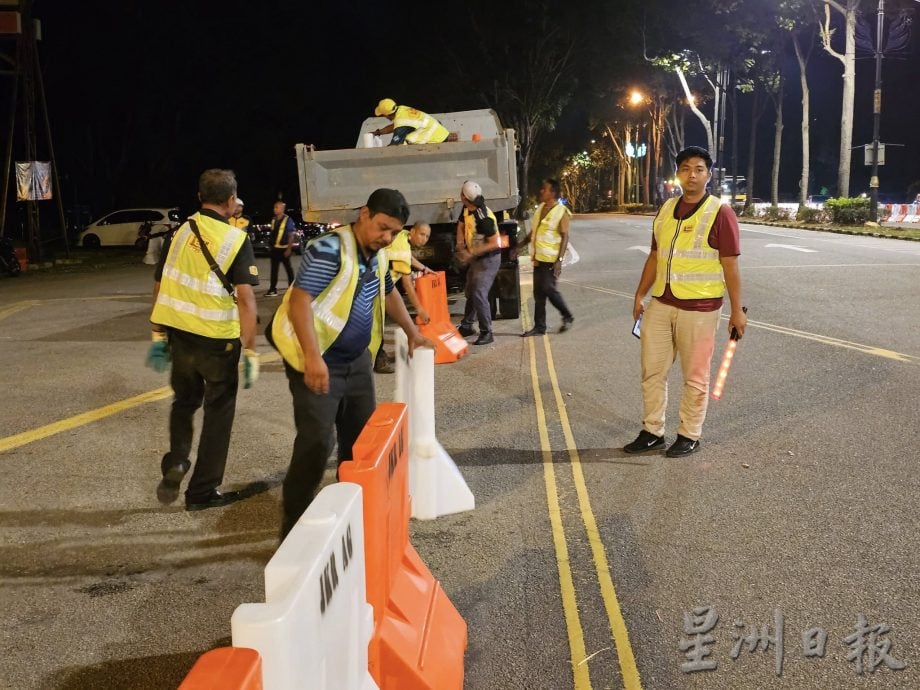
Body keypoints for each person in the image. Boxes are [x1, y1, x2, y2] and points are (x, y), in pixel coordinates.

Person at [269, 188, 434, 538]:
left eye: (393, 232)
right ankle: (293, 528)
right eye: (382, 227)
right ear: (364, 214)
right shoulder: (329, 249)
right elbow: (299, 303)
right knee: (316, 442)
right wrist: (313, 360)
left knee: (359, 443)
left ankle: (350, 514)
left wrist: (412, 331)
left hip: (356, 361)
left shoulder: (378, 254)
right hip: (316, 359)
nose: (386, 238)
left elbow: (388, 291)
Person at [146, 169, 260, 510]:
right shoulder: (236, 240)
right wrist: (251, 350)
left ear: (199, 198)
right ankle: (202, 492)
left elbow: (159, 284)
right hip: (218, 341)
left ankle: (178, 459)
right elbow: (246, 300)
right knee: (218, 412)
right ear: (230, 201)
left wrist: (157, 334)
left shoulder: (179, 233)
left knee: (184, 402)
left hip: (180, 336)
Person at [623, 146, 746, 458]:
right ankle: (652, 431)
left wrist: (736, 312)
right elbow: (655, 255)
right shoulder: (666, 210)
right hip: (661, 304)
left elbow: (730, 265)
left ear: (708, 174)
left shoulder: (720, 212)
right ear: (677, 173)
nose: (692, 175)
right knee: (652, 371)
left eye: (699, 169)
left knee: (695, 376)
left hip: (701, 309)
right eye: (686, 168)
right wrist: (640, 294)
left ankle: (689, 434)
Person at [374, 221, 435, 373]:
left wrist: (424, 268)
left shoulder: (402, 235)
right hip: (378, 289)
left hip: (376, 284)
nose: (424, 239)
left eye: (427, 236)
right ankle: (378, 359)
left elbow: (407, 257)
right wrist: (420, 309)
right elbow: (407, 284)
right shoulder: (402, 247)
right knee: (377, 327)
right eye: (422, 234)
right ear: (413, 232)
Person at [520, 178, 575, 336]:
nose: (541, 191)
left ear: (552, 193)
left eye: (545, 189)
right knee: (539, 294)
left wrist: (559, 261)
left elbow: (565, 237)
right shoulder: (541, 208)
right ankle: (539, 327)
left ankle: (567, 316)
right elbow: (535, 231)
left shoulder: (561, 212)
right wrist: (520, 245)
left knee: (548, 289)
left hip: (550, 261)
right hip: (538, 259)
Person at [455, 180, 501, 345]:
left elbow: (494, 243)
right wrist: (460, 244)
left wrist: (470, 252)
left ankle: (487, 332)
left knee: (479, 293)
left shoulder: (483, 218)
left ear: (464, 197)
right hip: (477, 258)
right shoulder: (467, 208)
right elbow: (461, 225)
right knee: (470, 291)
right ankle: (467, 326)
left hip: (489, 259)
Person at [371, 98, 451, 145]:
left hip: (438, 140)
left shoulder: (401, 123)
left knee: (406, 141)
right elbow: (397, 125)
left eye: (382, 115)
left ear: (387, 115)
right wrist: (378, 132)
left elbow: (394, 146)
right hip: (442, 133)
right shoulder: (401, 109)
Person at [266, 200, 295, 297]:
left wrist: (289, 249)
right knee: (274, 270)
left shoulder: (288, 220)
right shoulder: (274, 219)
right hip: (275, 249)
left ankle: (291, 288)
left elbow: (291, 235)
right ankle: (272, 289)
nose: (274, 209)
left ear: (282, 209)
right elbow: (273, 233)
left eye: (276, 207)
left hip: (284, 249)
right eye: (274, 207)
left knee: (288, 270)